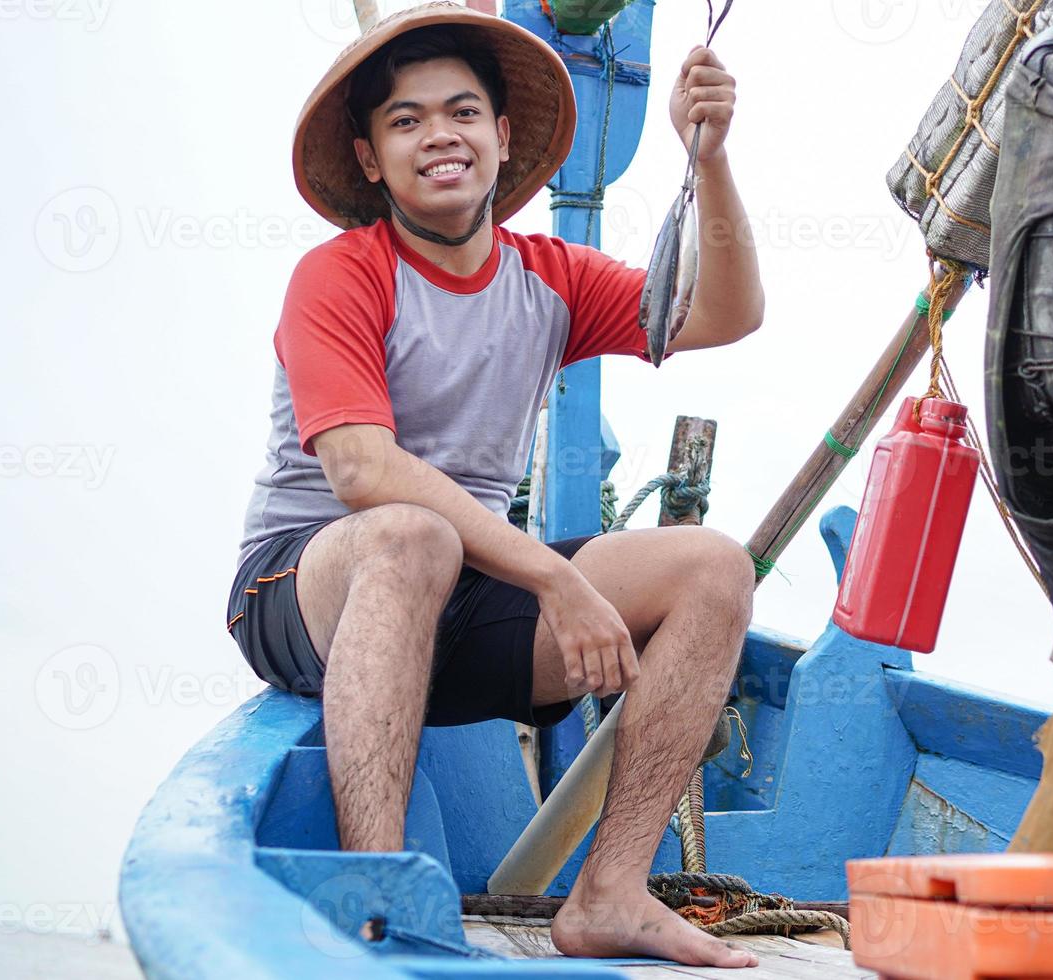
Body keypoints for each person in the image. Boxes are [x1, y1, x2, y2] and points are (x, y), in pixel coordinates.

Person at [223, 4, 764, 968]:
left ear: (501, 137)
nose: (440, 134)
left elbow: (723, 314)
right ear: (372, 157)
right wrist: (558, 581)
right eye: (406, 120)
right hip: (308, 589)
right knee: (407, 534)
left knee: (713, 567)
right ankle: (379, 886)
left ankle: (611, 893)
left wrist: (709, 159)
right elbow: (359, 470)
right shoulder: (340, 275)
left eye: (463, 111)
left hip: (464, 601)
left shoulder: (547, 278)